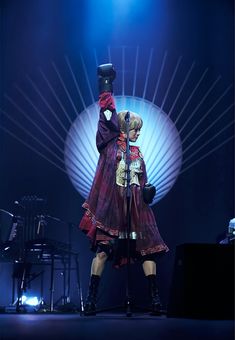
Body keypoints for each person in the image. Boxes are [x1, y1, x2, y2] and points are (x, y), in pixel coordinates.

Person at [79, 63, 169, 316]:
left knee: (146, 251)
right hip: (112, 208)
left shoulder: (138, 152)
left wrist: (148, 191)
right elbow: (106, 113)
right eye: (135, 129)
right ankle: (92, 300)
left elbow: (144, 180)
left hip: (136, 208)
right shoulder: (108, 143)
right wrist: (106, 84)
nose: (138, 133)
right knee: (103, 251)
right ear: (124, 128)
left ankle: (154, 300)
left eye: (140, 130)